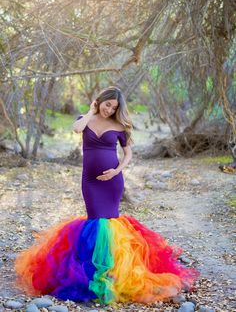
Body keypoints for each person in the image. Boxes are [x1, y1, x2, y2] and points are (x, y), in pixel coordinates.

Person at [15, 86, 198, 304]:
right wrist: (91, 111)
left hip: (112, 181)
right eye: (108, 104)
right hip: (90, 182)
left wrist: (116, 170)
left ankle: (113, 272)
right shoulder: (86, 119)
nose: (109, 110)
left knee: (110, 223)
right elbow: (76, 129)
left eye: (114, 108)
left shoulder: (120, 126)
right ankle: (93, 272)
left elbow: (128, 153)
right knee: (95, 222)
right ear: (100, 101)